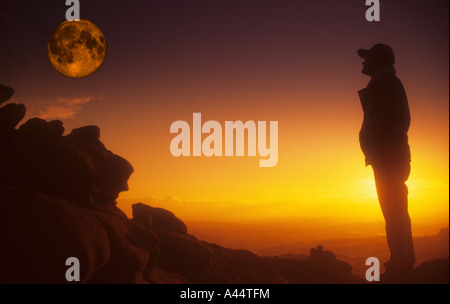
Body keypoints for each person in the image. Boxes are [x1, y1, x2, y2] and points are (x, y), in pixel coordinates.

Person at [357, 43, 415, 282]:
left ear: (379, 60)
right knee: (393, 212)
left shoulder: (388, 84)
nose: (363, 62)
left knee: (395, 212)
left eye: (367, 58)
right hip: (386, 157)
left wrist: (376, 143)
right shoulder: (383, 83)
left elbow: (396, 120)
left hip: (389, 158)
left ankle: (402, 264)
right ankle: (400, 261)